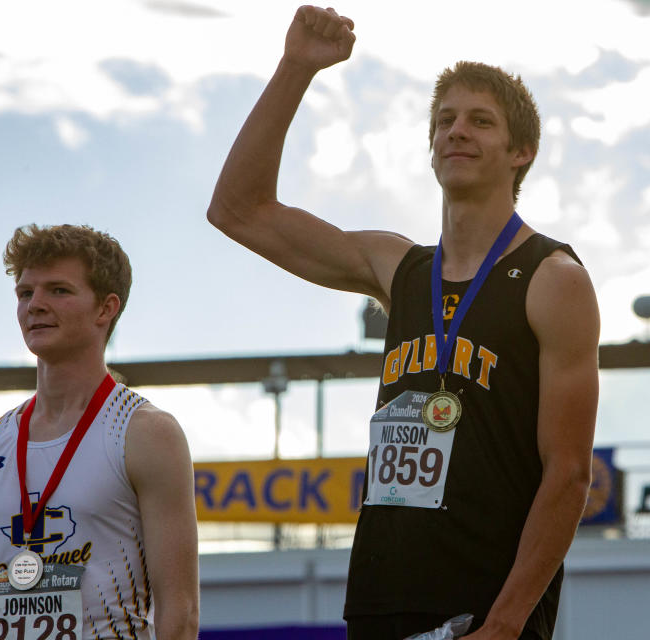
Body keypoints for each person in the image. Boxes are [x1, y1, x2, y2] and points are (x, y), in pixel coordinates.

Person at [207, 6, 599, 640]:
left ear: (520, 151)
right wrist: (296, 68)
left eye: (480, 120)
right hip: (379, 604)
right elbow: (238, 210)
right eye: (444, 121)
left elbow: (569, 472)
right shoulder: (398, 268)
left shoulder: (553, 279)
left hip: (484, 610)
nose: (456, 132)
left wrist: (506, 622)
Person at [0, 224, 199, 639]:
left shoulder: (146, 433)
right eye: (25, 293)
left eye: (58, 290)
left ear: (105, 308)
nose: (35, 306)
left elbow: (181, 613)